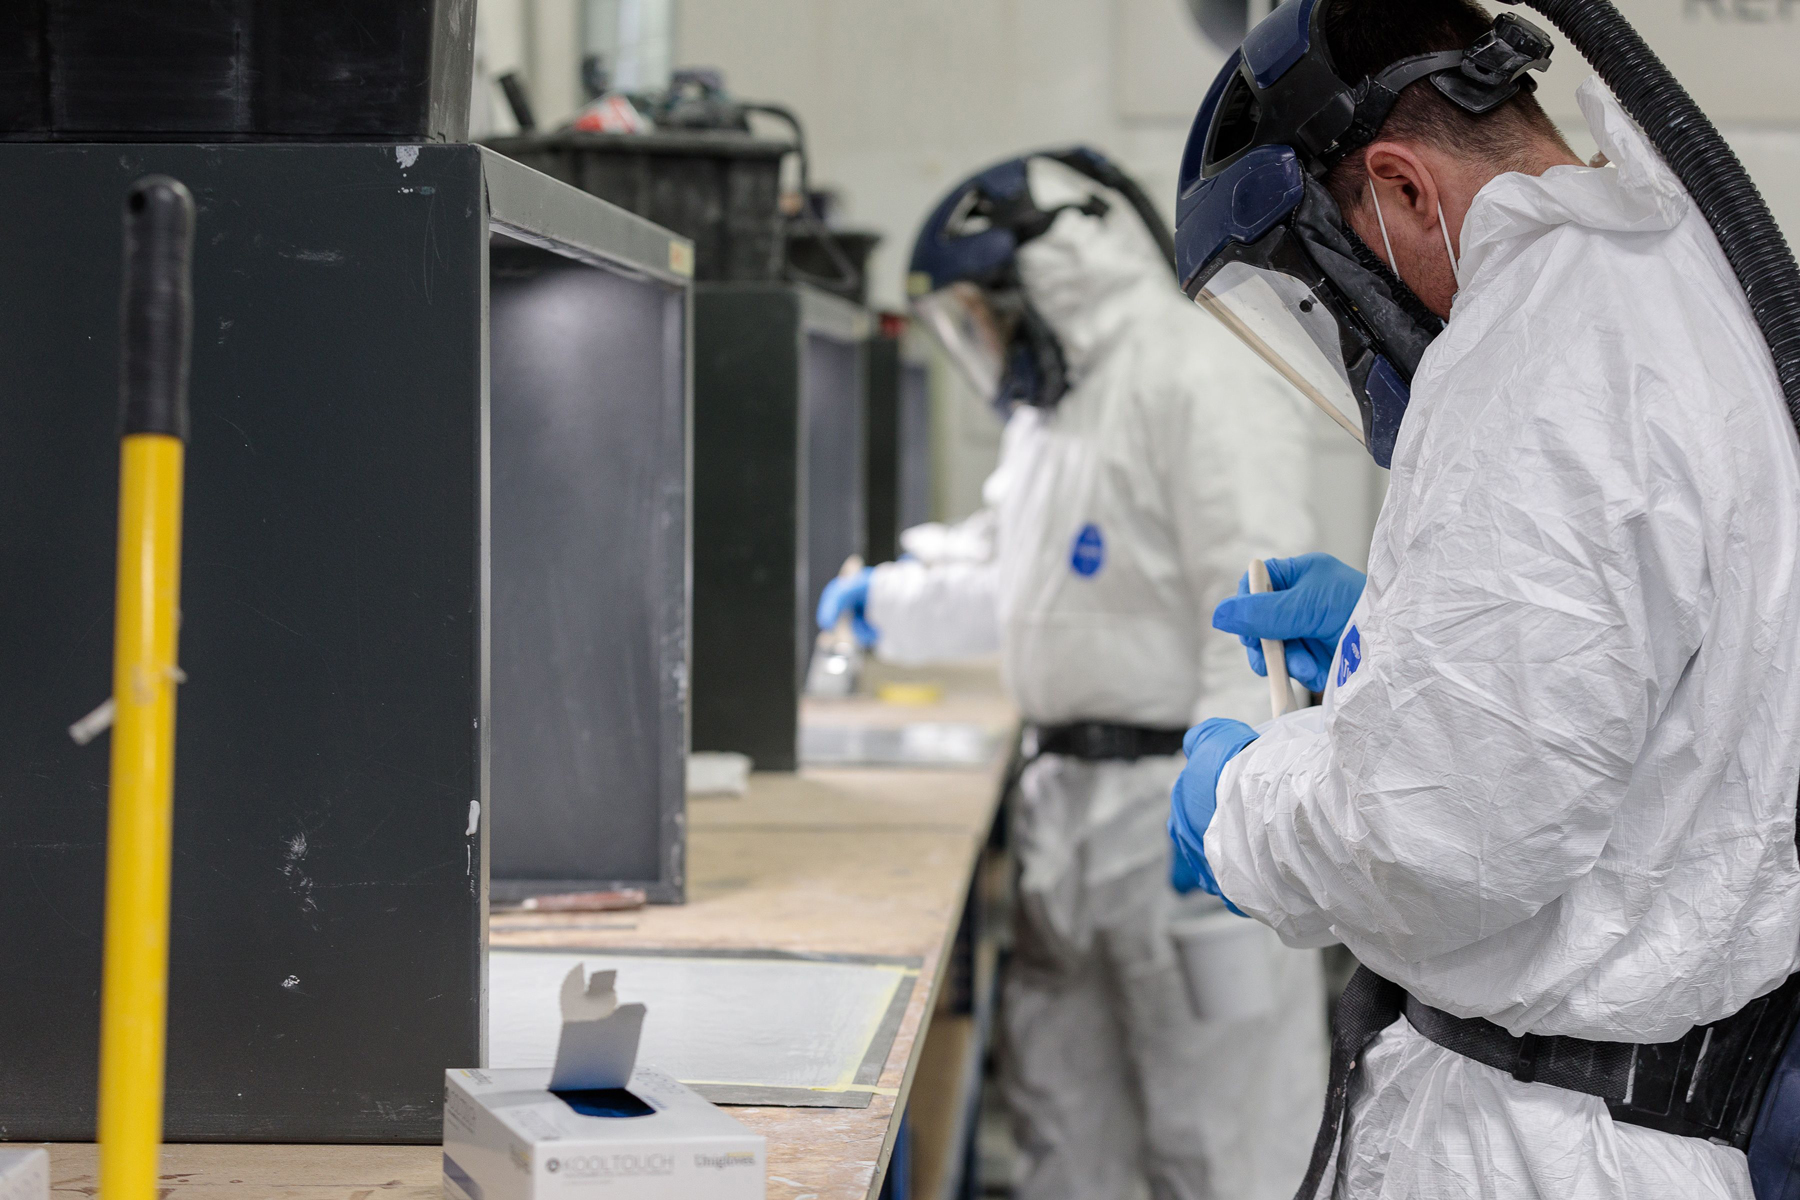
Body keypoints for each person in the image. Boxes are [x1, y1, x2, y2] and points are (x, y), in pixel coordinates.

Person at [1165, 1, 1800, 1198]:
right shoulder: (1665, 272)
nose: (1352, 330)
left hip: (1544, 1142)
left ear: (1403, 188)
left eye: (1325, 283)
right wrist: (1388, 637)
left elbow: (1434, 840)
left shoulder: (1543, 348)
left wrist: (1238, 802)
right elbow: (1645, 660)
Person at [819, 148, 1327, 1200]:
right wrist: (889, 602)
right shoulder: (1056, 417)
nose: (986, 347)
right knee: (1067, 1131)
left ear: (1042, 276)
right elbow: (1017, 579)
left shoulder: (1196, 374)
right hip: (1066, 821)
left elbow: (1256, 607)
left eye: (982, 316)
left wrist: (1233, 798)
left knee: (1223, 1146)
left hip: (1175, 808)